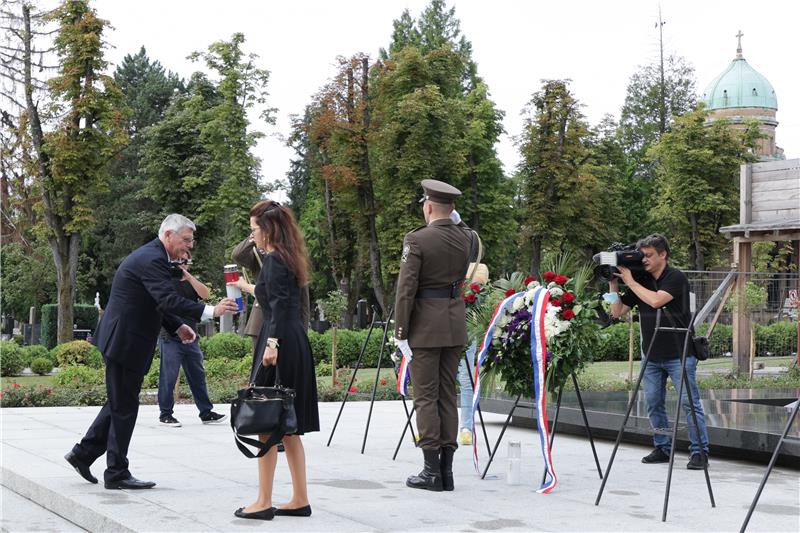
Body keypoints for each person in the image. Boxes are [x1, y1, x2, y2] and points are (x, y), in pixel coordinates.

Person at [64, 214, 239, 489]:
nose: (189, 246)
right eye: (186, 240)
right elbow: (166, 298)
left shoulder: (156, 257)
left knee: (119, 402)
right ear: (169, 235)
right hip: (123, 341)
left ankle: (82, 454)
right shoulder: (152, 259)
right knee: (124, 406)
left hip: (126, 339)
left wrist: (178, 326)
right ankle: (116, 473)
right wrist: (210, 311)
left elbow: (154, 302)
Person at [232, 200, 319, 521]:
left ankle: (263, 500)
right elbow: (276, 295)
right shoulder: (286, 257)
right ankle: (299, 498)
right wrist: (248, 287)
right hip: (291, 339)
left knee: (265, 422)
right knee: (288, 427)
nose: (252, 235)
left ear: (268, 229)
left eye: (254, 229)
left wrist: (270, 344)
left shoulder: (274, 260)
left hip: (278, 341)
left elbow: (281, 305)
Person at [394, 179, 474, 492]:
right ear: (452, 209)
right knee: (447, 394)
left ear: (428, 207)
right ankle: (447, 471)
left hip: (425, 328)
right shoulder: (467, 238)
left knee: (425, 396)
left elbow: (406, 290)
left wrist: (401, 330)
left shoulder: (418, 239)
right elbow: (464, 230)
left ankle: (431, 472)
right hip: (454, 325)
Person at [609, 233, 710, 470]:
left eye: (649, 255)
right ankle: (663, 447)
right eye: (641, 255)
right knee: (654, 403)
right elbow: (616, 311)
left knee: (689, 403)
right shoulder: (641, 280)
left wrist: (631, 282)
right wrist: (613, 283)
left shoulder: (675, 277)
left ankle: (699, 452)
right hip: (651, 355)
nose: (643, 260)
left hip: (680, 354)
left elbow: (656, 301)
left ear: (663, 255)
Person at [157, 251, 227, 427]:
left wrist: (188, 277)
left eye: (184, 261)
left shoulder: (189, 282)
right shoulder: (165, 282)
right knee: (169, 377)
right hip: (171, 336)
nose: (181, 264)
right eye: (177, 261)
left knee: (197, 375)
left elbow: (205, 294)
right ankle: (165, 414)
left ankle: (206, 412)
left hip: (192, 336)